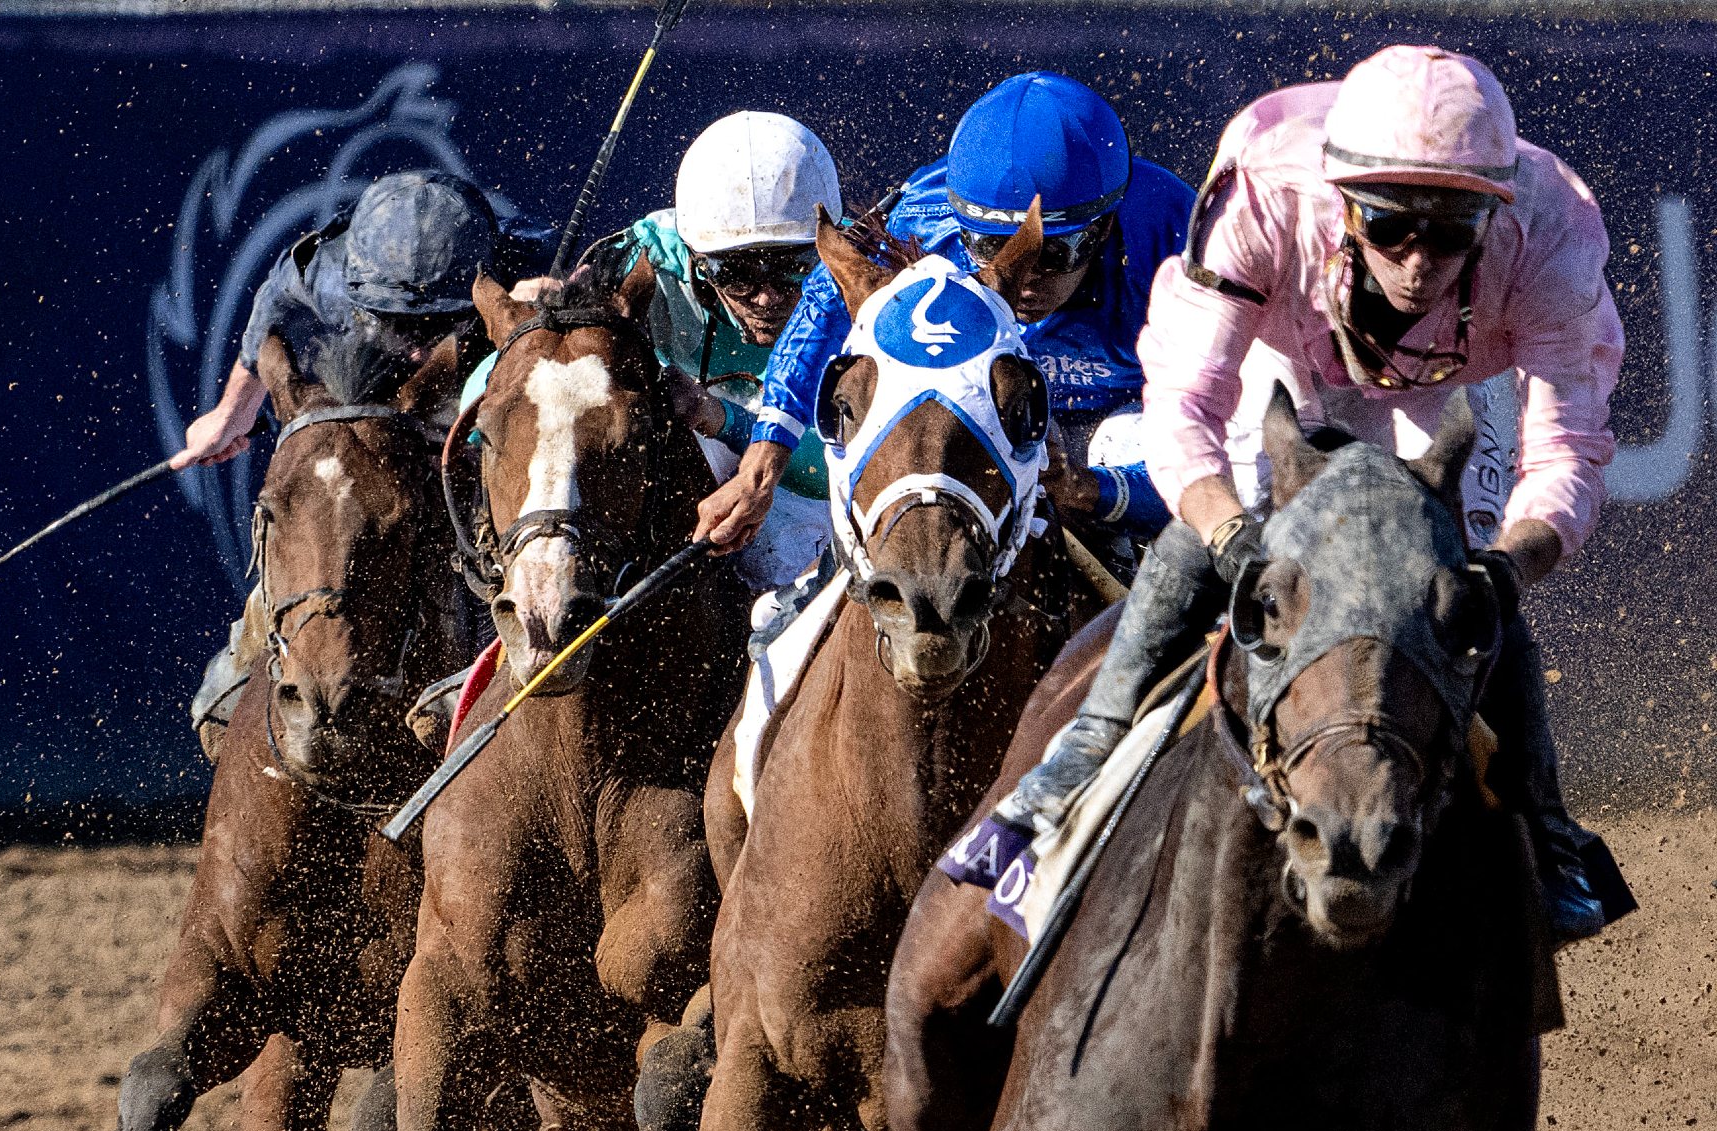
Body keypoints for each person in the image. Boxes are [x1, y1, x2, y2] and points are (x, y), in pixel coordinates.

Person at [969, 45, 1630, 940]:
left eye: (1452, 229)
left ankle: (1547, 834)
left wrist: (1506, 571)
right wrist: (1230, 532)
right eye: (1392, 224)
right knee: (1203, 549)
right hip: (1285, 359)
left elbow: (1566, 457)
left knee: (1460, 589)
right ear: (1342, 200)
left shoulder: (1552, 230)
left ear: (1496, 214)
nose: (1418, 260)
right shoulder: (1265, 189)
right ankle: (1077, 756)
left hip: (1459, 389)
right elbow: (1187, 402)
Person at [698, 72, 1193, 570]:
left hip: (1128, 423)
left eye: (1054, 253)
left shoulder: (1178, 244)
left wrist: (1090, 489)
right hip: (984, 413)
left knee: (1121, 442)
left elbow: (1235, 449)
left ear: (1105, 226)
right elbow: (828, 299)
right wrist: (763, 462)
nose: (1022, 278)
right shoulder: (926, 214)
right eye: (988, 248)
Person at [179, 170, 548, 757]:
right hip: (377, 427)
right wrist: (230, 414)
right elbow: (261, 337)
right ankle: (254, 646)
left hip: (481, 432)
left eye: (437, 324)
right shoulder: (314, 274)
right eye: (403, 325)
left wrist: (554, 305)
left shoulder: (532, 258)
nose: (420, 346)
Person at [478, 110, 846, 592]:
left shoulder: (860, 274)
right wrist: (523, 341)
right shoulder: (633, 261)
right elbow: (484, 405)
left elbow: (846, 464)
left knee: (785, 552)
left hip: (804, 474)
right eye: (737, 272)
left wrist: (719, 416)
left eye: (793, 266)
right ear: (695, 255)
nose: (767, 297)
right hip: (682, 460)